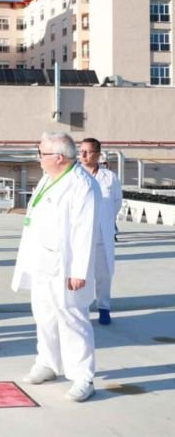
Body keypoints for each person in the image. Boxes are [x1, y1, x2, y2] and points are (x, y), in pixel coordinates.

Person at [12, 131, 100, 402]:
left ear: (59, 157)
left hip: (65, 266)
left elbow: (85, 231)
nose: (38, 159)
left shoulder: (81, 185)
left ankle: (83, 376)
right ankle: (48, 362)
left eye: (41, 154)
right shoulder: (48, 179)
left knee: (72, 318)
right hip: (41, 261)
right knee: (44, 315)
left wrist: (79, 271)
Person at [79, 138, 122, 325]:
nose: (83, 155)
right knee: (81, 273)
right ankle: (81, 308)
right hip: (81, 235)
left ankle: (104, 307)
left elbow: (116, 203)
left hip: (102, 234)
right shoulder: (76, 175)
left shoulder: (109, 177)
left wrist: (105, 220)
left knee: (104, 274)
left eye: (87, 151)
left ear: (97, 154)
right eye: (81, 151)